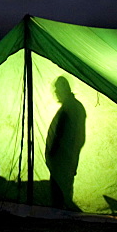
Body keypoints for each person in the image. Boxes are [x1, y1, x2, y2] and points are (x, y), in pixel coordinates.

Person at [46, 76, 86, 210]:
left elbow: (60, 132)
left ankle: (59, 212)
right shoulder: (76, 106)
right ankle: (63, 211)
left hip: (62, 157)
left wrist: (53, 152)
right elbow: (80, 137)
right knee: (66, 185)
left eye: (58, 89)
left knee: (59, 186)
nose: (56, 92)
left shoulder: (69, 108)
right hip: (69, 156)